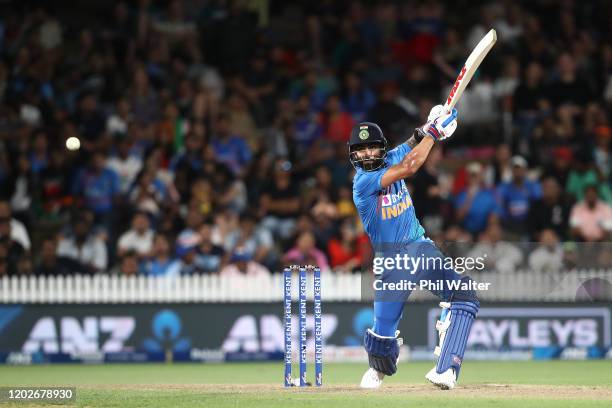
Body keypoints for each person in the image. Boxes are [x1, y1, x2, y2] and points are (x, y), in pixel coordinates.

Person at [350, 106, 479, 390]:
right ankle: (378, 368)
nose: (368, 154)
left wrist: (425, 129)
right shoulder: (363, 182)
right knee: (381, 348)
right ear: (354, 155)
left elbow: (409, 146)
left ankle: (446, 370)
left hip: (420, 248)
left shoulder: (390, 156)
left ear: (381, 149)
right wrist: (433, 134)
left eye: (373, 148)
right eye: (362, 150)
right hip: (392, 262)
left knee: (464, 296)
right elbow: (410, 166)